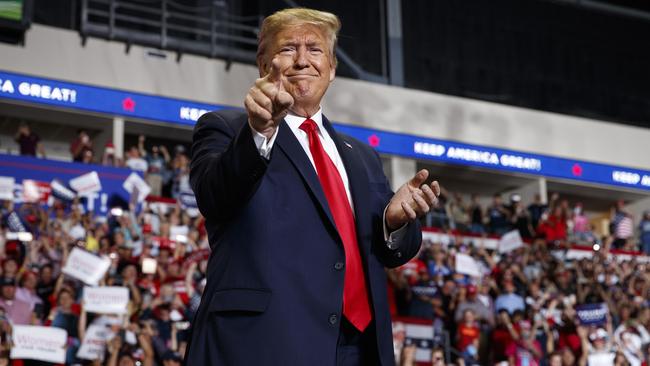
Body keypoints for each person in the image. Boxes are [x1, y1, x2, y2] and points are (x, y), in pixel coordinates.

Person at [184, 8, 441, 366]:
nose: (303, 60)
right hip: (265, 343)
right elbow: (215, 197)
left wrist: (393, 221)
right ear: (263, 63)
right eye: (288, 48)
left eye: (315, 49)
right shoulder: (226, 129)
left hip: (360, 349)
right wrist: (258, 132)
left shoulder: (362, 156)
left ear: (332, 68)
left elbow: (393, 253)